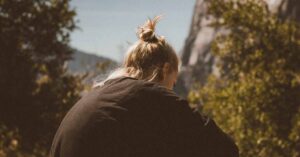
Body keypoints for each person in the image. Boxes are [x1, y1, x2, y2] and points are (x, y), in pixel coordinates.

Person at [49, 16, 239, 157]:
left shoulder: (97, 97)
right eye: (172, 83)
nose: (170, 91)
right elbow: (225, 149)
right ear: (165, 70)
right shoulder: (151, 96)